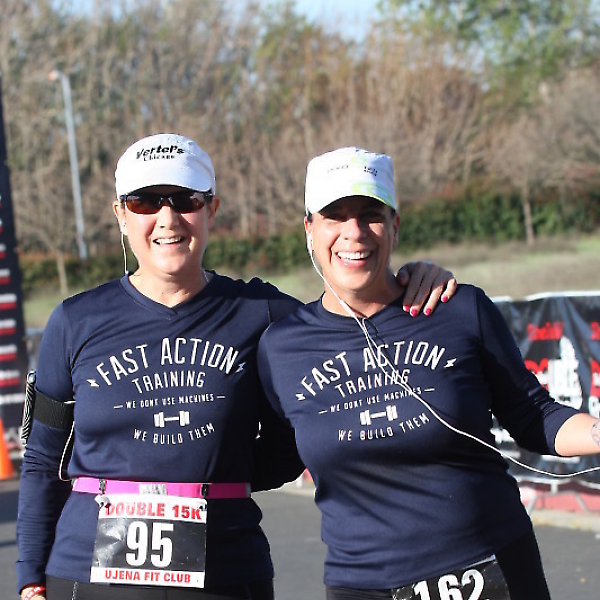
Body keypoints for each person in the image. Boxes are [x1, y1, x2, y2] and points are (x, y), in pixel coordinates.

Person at [16, 134, 457, 600]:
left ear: (212, 209)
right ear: (121, 215)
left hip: (226, 571)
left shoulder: (263, 314)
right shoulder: (75, 321)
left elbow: (350, 320)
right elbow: (44, 460)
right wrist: (29, 577)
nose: (167, 218)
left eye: (186, 200)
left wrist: (416, 281)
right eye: (145, 202)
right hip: (90, 575)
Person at [256, 146, 600, 600]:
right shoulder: (281, 347)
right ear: (309, 229)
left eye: (371, 215)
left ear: (395, 226)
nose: (354, 232)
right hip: (363, 586)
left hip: (493, 566)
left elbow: (534, 415)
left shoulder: (457, 309)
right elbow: (276, 456)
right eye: (334, 216)